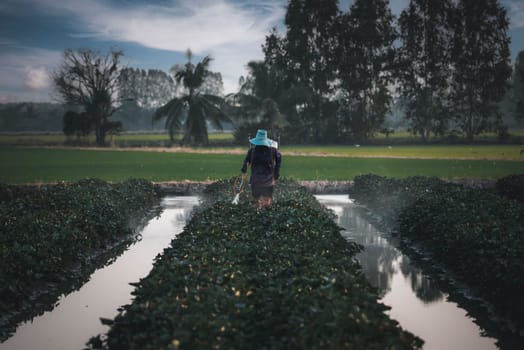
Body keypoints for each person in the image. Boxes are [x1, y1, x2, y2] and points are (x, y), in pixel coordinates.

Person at [241, 129, 282, 209]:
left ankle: (264, 217)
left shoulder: (272, 151)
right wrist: (244, 167)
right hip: (256, 180)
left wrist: (276, 172)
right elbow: (247, 161)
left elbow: (279, 159)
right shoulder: (252, 151)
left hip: (268, 180)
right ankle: (257, 217)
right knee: (256, 203)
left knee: (266, 203)